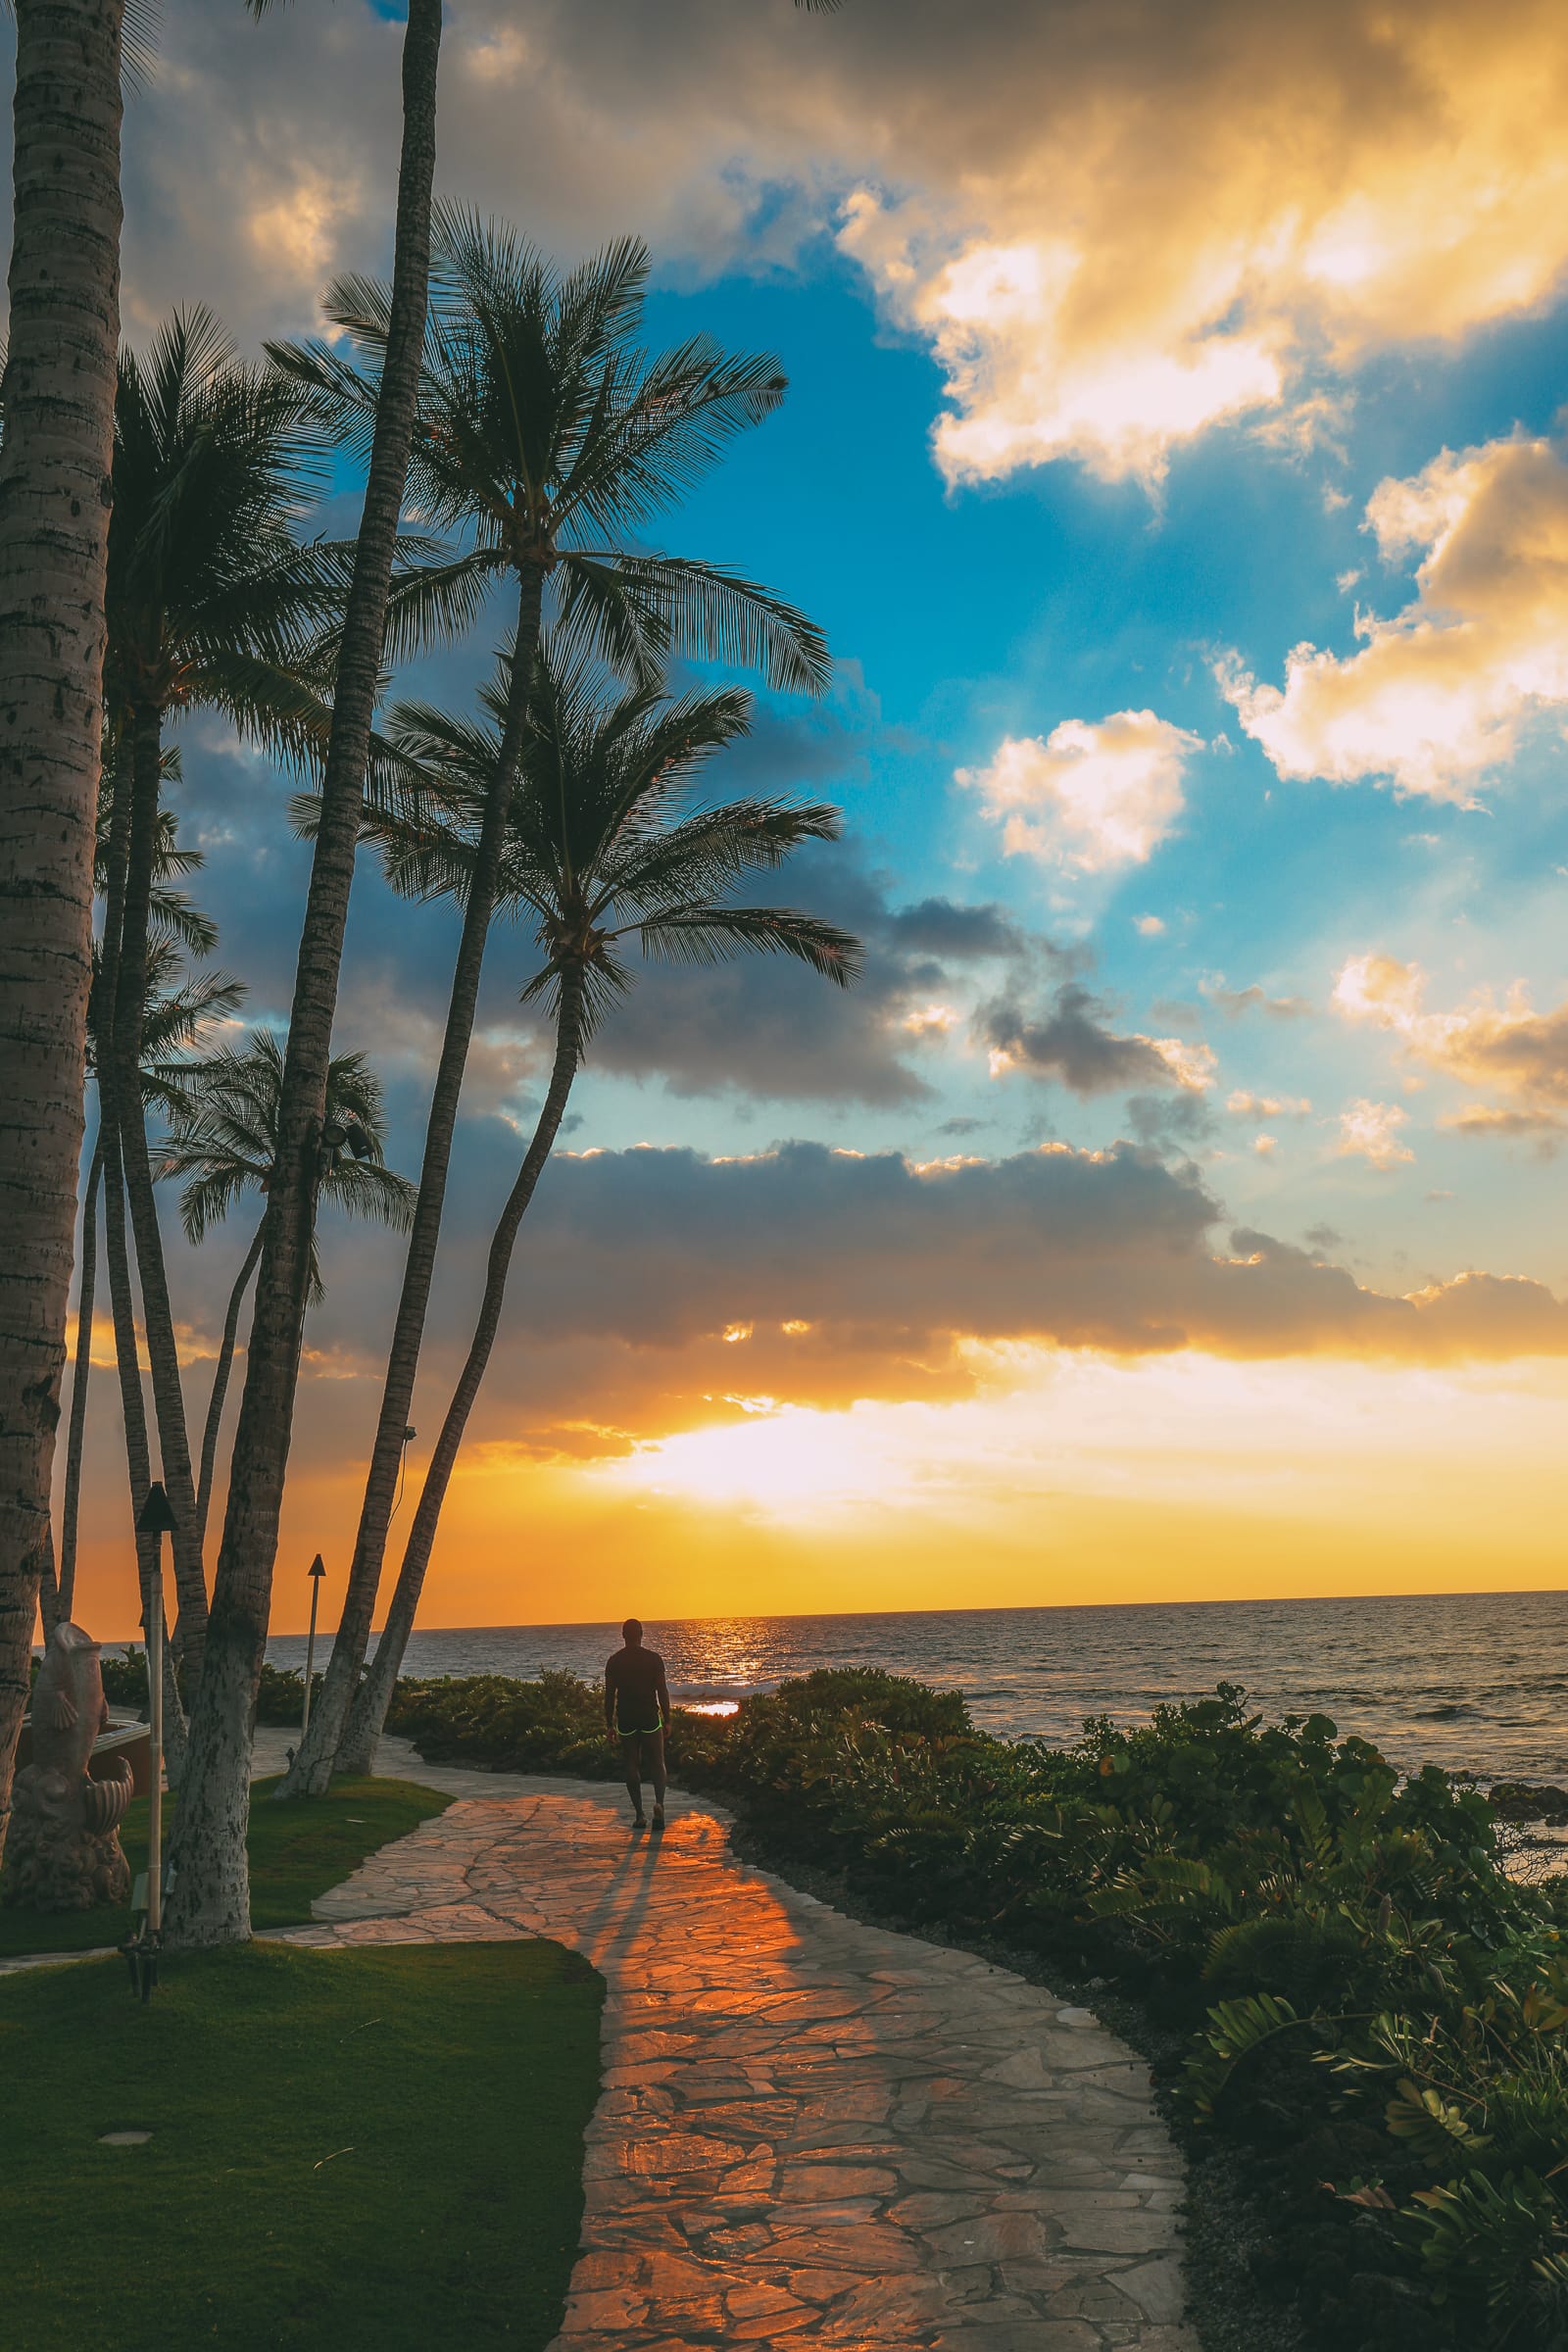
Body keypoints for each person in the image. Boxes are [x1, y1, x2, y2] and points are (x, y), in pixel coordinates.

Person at [604, 1619, 671, 1831]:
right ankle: (659, 1804)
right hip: (649, 1717)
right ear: (641, 1634)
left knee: (631, 1763)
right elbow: (662, 1691)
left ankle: (640, 1815)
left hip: (626, 1718)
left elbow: (609, 1696)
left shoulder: (614, 1661)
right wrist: (667, 1719)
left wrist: (609, 1724)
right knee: (657, 1762)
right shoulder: (653, 1659)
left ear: (623, 1635)